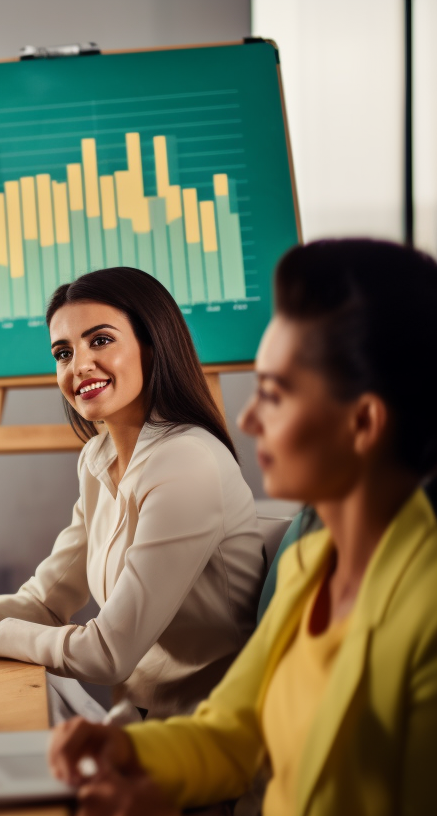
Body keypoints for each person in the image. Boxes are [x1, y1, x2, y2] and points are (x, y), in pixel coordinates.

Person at [48, 240, 437, 816]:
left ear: (363, 423)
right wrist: (134, 755)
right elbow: (234, 729)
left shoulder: (425, 605)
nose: (250, 420)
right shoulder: (312, 562)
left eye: (275, 395)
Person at [0, 267, 265, 719]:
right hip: (136, 731)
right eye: (63, 352)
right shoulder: (98, 459)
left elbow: (107, 653)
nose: (79, 365)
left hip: (205, 743)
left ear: (153, 345)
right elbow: (45, 603)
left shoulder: (188, 461)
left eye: (101, 340)